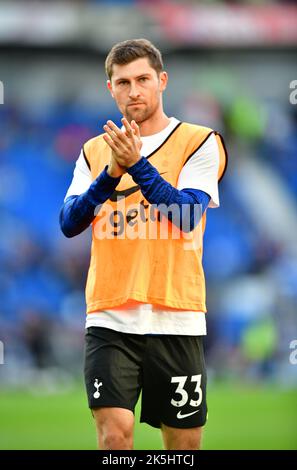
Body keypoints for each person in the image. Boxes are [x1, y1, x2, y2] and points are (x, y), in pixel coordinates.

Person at [59, 38, 227, 450]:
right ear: (110, 88)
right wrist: (110, 174)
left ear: (162, 81)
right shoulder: (95, 150)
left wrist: (135, 165)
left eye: (142, 79)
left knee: (183, 445)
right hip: (110, 314)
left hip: (177, 314)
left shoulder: (200, 141)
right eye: (122, 82)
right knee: (114, 435)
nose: (133, 90)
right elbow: (69, 222)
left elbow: (187, 216)